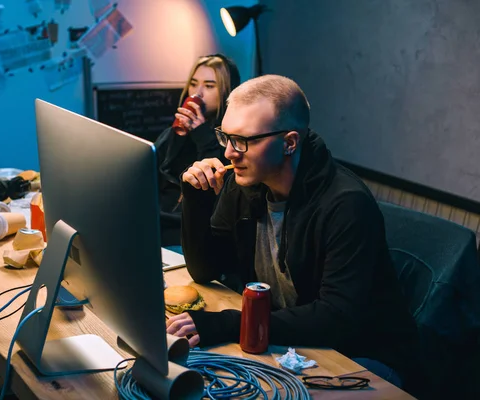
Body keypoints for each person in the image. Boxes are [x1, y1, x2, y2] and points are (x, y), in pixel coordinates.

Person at [166, 74, 420, 390]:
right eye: (226, 137)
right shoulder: (245, 182)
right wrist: (197, 197)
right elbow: (205, 270)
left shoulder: (346, 204)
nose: (230, 153)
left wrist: (232, 324)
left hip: (364, 355)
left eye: (244, 140)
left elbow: (336, 317)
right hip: (294, 340)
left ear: (289, 143)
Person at [155, 54, 240, 246]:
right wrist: (176, 137)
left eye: (209, 86)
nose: (197, 93)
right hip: (161, 222)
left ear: (227, 91)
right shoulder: (175, 132)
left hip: (196, 231)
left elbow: (214, 187)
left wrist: (202, 133)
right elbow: (155, 173)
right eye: (193, 84)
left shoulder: (233, 136)